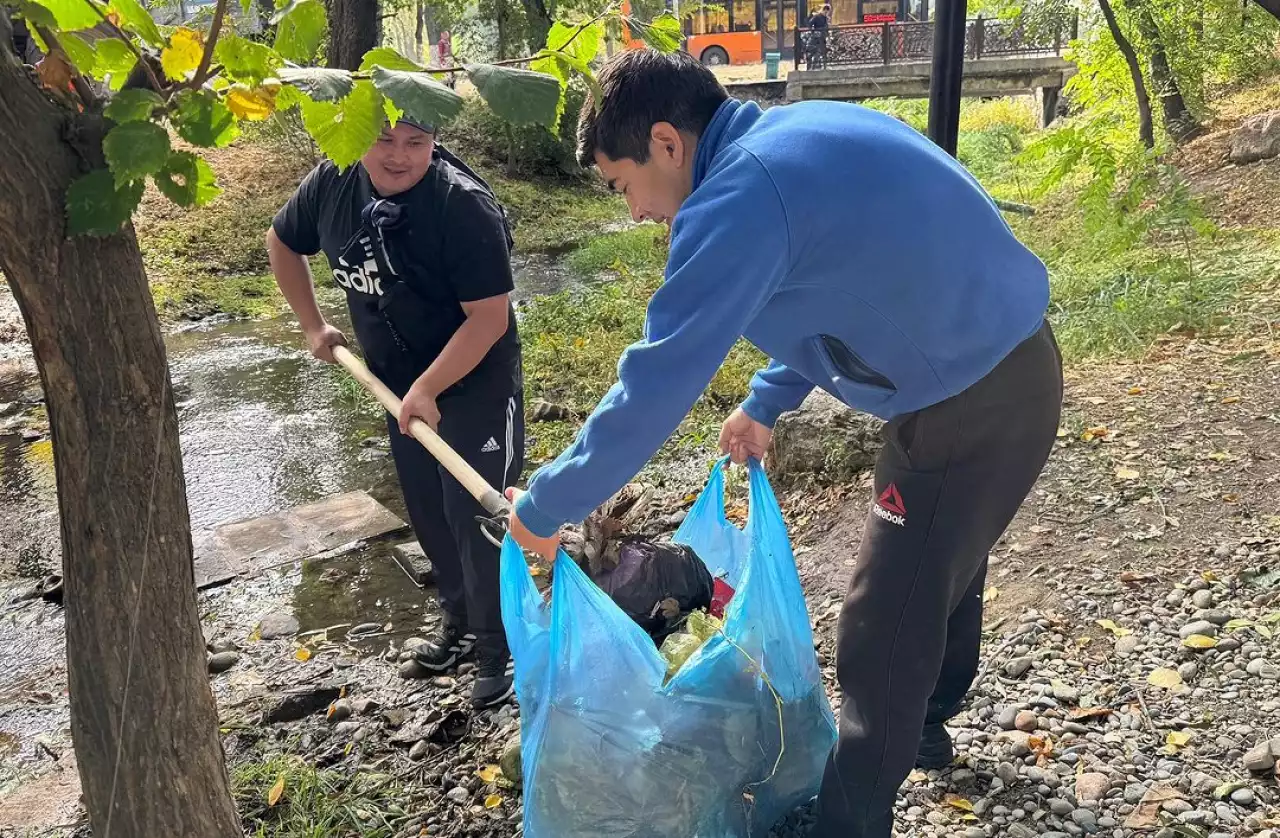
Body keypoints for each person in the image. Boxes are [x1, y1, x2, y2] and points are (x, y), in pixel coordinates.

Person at [505, 51, 1062, 837]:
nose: (632, 212)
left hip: (967, 400)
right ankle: (927, 725)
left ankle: (849, 820)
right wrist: (769, 398)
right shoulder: (783, 143)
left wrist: (545, 502)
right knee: (943, 559)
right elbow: (840, 279)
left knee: (879, 624)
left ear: (666, 142)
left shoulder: (737, 195)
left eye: (621, 184)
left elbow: (658, 378)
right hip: (1005, 365)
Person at [267, 118, 524, 710]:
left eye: (416, 143)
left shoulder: (462, 207)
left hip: (473, 380)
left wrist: (431, 386)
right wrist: (312, 325)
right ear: (358, 137)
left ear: (434, 142)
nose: (400, 157)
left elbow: (489, 319)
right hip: (397, 384)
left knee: (474, 513)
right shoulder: (331, 184)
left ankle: (497, 649)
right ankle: (459, 628)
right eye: (384, 140)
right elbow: (282, 243)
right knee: (429, 512)